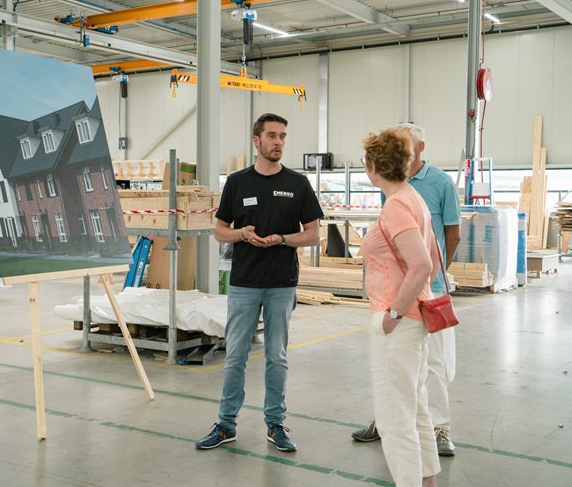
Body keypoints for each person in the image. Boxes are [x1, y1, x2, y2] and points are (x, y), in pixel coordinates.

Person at [195, 113, 323, 452]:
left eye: (283, 136)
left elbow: (313, 235)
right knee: (235, 355)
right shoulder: (237, 183)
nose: (279, 142)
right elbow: (219, 230)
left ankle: (276, 425)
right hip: (244, 284)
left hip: (281, 283)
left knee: (276, 356)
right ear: (257, 140)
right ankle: (225, 424)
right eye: (272, 136)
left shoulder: (298, 184)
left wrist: (281, 238)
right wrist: (241, 234)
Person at [352, 123, 461, 457]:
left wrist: (432, 280)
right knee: (400, 372)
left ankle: (438, 429)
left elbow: (451, 236)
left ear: (420, 148)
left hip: (423, 291)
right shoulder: (397, 189)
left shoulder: (438, 183)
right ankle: (387, 420)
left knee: (433, 366)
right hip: (401, 289)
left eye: (405, 145)